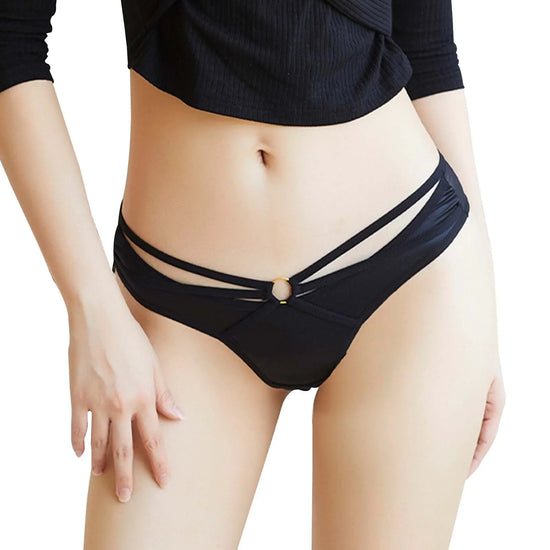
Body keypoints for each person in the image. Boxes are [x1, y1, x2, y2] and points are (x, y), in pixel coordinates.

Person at [0, 0, 505, 547]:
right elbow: (10, 38)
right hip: (182, 308)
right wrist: (93, 312)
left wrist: (482, 309)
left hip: (408, 275)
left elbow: (426, 49)